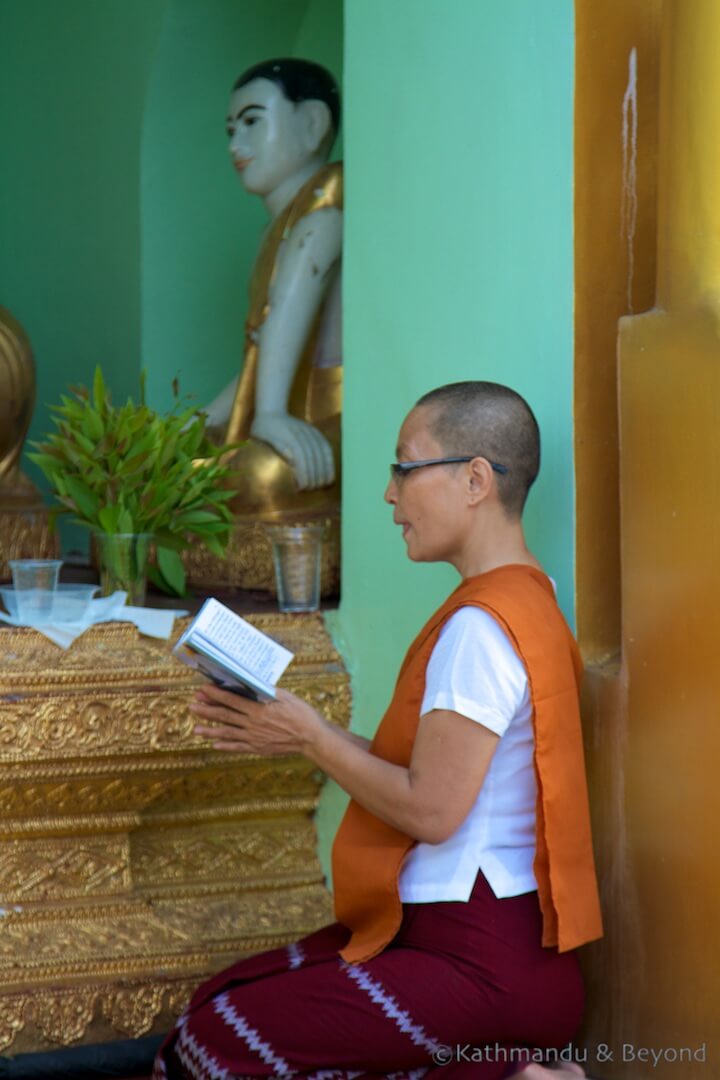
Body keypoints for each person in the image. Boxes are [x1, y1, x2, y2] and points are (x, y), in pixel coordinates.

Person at [153, 381, 602, 1079]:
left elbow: (432, 810)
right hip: (508, 951)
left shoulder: (482, 628)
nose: (390, 495)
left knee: (213, 1043)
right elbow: (440, 781)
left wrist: (311, 738)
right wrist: (299, 730)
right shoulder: (525, 601)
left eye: (405, 467)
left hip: (479, 959)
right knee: (229, 996)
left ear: (476, 479)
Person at [205, 58, 343, 517]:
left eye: (251, 123)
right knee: (162, 462)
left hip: (325, 419)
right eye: (230, 131)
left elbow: (295, 297)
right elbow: (260, 350)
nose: (235, 145)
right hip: (274, 412)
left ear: (311, 123)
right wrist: (197, 425)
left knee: (264, 475)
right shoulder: (272, 230)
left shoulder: (328, 195)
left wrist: (272, 415)